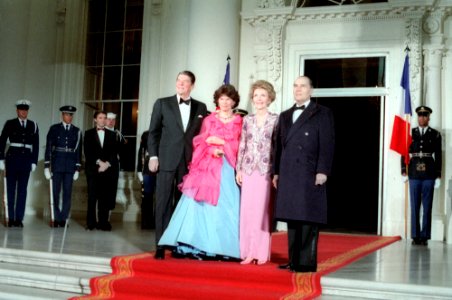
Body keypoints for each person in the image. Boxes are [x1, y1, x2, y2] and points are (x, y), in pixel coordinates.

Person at [158, 84, 242, 260]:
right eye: (222, 99)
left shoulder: (239, 121)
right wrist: (212, 149)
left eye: (229, 99)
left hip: (227, 166)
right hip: (207, 166)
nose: (225, 102)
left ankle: (223, 247)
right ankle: (199, 246)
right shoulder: (209, 120)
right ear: (217, 100)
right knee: (201, 207)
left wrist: (222, 144)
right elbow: (199, 142)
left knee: (226, 206)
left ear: (234, 101)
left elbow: (241, 145)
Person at [272, 76, 335, 273]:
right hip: (289, 172)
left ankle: (306, 263)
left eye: (303, 86)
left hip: (309, 172)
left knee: (308, 217)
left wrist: (322, 170)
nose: (298, 89)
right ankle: (294, 260)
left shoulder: (322, 113)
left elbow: (327, 144)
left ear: (311, 90)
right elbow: (278, 148)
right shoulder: (284, 115)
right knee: (292, 217)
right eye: (295, 85)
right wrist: (276, 172)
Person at [147, 70, 208, 259]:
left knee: (183, 204)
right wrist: (153, 156)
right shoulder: (162, 103)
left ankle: (178, 244)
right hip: (165, 159)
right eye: (178, 80)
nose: (181, 83)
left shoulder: (201, 107)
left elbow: (204, 133)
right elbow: (153, 132)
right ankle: (160, 243)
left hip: (189, 162)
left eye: (185, 81)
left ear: (192, 85)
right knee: (163, 201)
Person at [236, 80, 278, 265]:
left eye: (263, 95)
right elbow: (242, 145)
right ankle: (247, 252)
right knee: (247, 211)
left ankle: (261, 252)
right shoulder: (247, 120)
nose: (259, 99)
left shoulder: (277, 119)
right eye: (256, 96)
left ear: (269, 98)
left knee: (262, 212)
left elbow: (278, 148)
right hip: (248, 169)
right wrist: (239, 169)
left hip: (265, 170)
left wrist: (277, 172)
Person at [401, 106, 441, 246]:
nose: (422, 118)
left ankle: (425, 236)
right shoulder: (410, 133)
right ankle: (415, 235)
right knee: (414, 205)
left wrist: (438, 176)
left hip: (429, 173)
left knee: (427, 206)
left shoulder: (435, 134)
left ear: (429, 118)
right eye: (420, 115)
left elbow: (439, 156)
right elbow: (404, 151)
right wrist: (403, 171)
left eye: (425, 115)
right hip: (414, 172)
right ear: (417, 117)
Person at [0, 100, 39, 228]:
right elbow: (2, 141)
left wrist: (34, 161)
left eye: (26, 109)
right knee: (10, 190)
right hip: (12, 159)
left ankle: (19, 219)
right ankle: (10, 218)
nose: (24, 112)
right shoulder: (10, 123)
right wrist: (1, 159)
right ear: (17, 111)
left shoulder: (33, 125)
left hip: (26, 160)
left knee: (22, 190)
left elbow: (36, 145)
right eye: (21, 109)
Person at [44, 105, 82, 228]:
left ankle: (63, 218)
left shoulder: (77, 131)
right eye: (67, 114)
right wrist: (46, 166)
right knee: (55, 192)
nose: (69, 117)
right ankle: (55, 217)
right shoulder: (54, 129)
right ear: (62, 115)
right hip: (57, 164)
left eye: (71, 115)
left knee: (67, 193)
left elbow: (78, 150)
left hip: (70, 165)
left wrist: (77, 168)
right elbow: (49, 147)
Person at [83, 111, 118, 231]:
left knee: (104, 197)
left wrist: (107, 164)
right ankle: (91, 223)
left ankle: (103, 223)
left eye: (105, 118)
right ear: (95, 120)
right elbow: (88, 152)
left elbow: (114, 153)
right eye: (100, 118)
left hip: (107, 170)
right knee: (92, 197)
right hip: (93, 170)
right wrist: (99, 162)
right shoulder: (88, 134)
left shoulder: (112, 135)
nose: (103, 120)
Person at [105, 112, 126, 208]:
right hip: (103, 165)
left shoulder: (118, 134)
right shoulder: (101, 132)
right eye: (109, 119)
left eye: (113, 120)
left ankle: (108, 216)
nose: (111, 122)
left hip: (114, 165)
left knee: (112, 189)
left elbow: (122, 152)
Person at [137, 130, 156, 229]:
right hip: (147, 174)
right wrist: (140, 174)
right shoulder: (144, 144)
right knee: (146, 199)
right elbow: (140, 160)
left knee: (159, 200)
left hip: (159, 174)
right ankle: (146, 222)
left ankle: (156, 222)